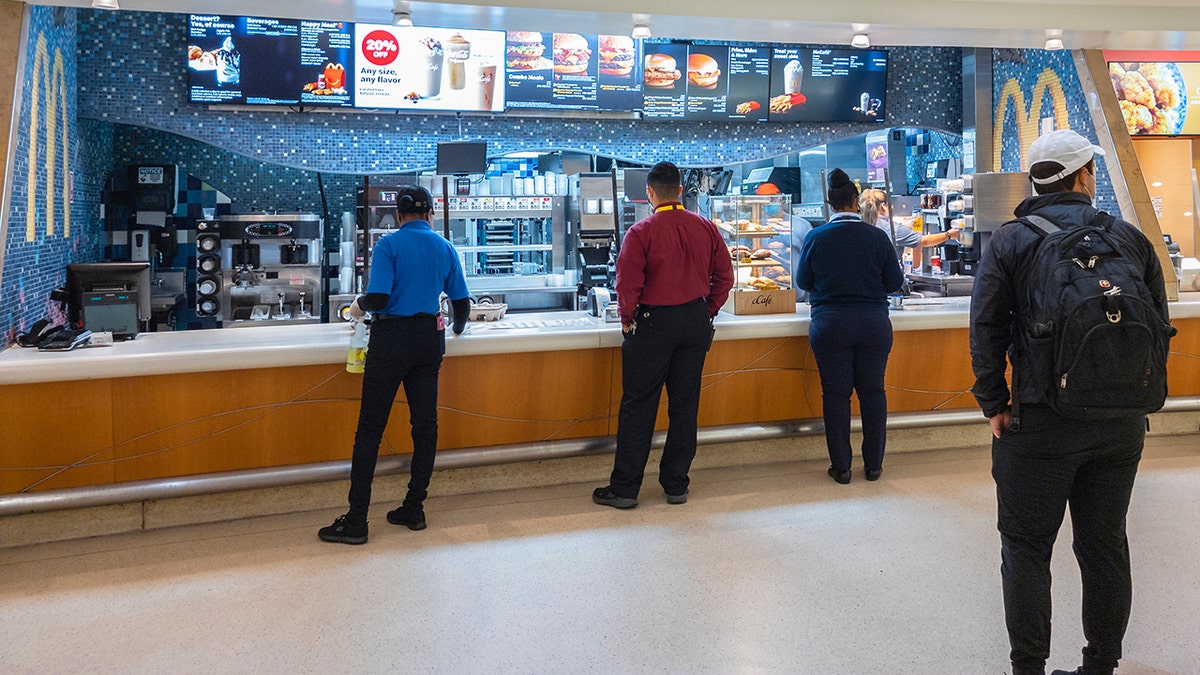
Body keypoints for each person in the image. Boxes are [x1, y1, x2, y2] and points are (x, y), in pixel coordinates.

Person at [969, 129, 1170, 675]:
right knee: (1105, 546)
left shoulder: (1010, 241)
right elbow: (1158, 322)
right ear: (1083, 176)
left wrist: (994, 402)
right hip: (1120, 425)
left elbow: (985, 326)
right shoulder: (1128, 236)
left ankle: (1029, 668)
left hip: (1040, 421)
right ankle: (1100, 665)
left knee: (1027, 548)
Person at [319, 185, 471, 545]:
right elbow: (461, 306)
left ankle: (357, 520)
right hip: (428, 341)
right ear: (430, 214)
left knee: (370, 429)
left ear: (399, 215)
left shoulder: (389, 245)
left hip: (391, 341)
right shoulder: (445, 247)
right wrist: (457, 329)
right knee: (425, 426)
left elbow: (379, 298)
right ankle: (413, 507)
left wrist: (356, 306)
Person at [592, 161, 734, 508]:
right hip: (695, 323)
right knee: (685, 406)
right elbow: (725, 277)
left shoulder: (640, 232)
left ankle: (625, 489)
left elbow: (627, 284)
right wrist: (707, 310)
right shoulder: (707, 228)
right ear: (681, 191)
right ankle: (676, 484)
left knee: (639, 405)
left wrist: (627, 319)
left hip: (653, 324)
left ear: (650, 193)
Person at [796, 169, 904, 484]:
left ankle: (841, 467)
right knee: (873, 392)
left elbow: (803, 282)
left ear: (830, 203)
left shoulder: (816, 237)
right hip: (873, 324)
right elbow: (894, 283)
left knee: (835, 394)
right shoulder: (877, 236)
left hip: (830, 324)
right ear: (856, 201)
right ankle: (874, 466)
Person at [859, 187, 959, 260]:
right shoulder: (892, 229)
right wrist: (949, 235)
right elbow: (923, 241)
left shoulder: (859, 225)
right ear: (884, 206)